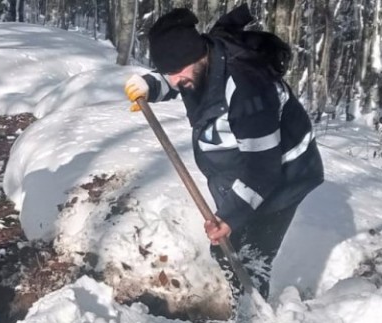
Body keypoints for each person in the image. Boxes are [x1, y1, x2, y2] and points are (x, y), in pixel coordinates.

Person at [124, 6, 324, 300]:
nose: (176, 80)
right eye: (170, 73)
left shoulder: (247, 89)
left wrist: (230, 216)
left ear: (198, 56)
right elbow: (176, 80)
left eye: (178, 72)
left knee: (249, 259)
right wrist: (149, 85)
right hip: (240, 167)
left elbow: (263, 169)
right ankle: (245, 311)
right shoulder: (200, 63)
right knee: (225, 251)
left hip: (285, 175)